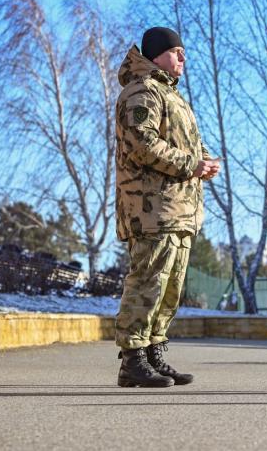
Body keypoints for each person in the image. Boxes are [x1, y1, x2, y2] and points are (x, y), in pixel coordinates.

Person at [114, 26, 220, 388]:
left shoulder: (171, 95)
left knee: (169, 288)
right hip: (151, 210)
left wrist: (205, 159)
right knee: (148, 283)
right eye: (177, 51)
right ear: (156, 55)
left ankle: (154, 353)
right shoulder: (141, 91)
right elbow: (141, 144)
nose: (183, 58)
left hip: (178, 210)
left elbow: (187, 143)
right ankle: (133, 360)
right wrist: (192, 165)